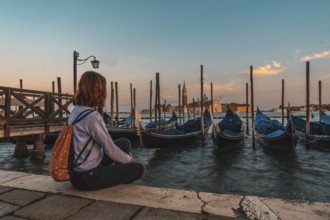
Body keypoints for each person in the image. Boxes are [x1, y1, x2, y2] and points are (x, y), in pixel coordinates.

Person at [68, 71, 144, 190]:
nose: (105, 94)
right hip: (89, 177)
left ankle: (119, 175)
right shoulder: (92, 117)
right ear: (97, 92)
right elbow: (110, 149)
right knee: (138, 168)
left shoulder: (75, 111)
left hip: (75, 175)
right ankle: (121, 178)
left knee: (124, 143)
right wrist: (130, 161)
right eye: (103, 90)